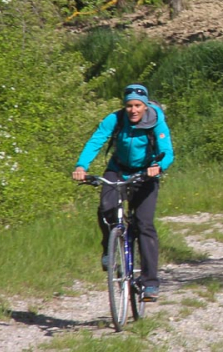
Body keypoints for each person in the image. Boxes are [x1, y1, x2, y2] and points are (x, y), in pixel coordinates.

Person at [72, 84, 174, 302]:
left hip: (146, 174)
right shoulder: (115, 119)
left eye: (138, 105)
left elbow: (167, 151)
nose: (133, 110)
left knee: (144, 224)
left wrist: (159, 166)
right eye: (129, 106)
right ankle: (109, 247)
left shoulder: (156, 121)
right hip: (118, 170)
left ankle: (149, 284)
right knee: (106, 208)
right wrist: (82, 166)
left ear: (145, 106)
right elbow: (96, 140)